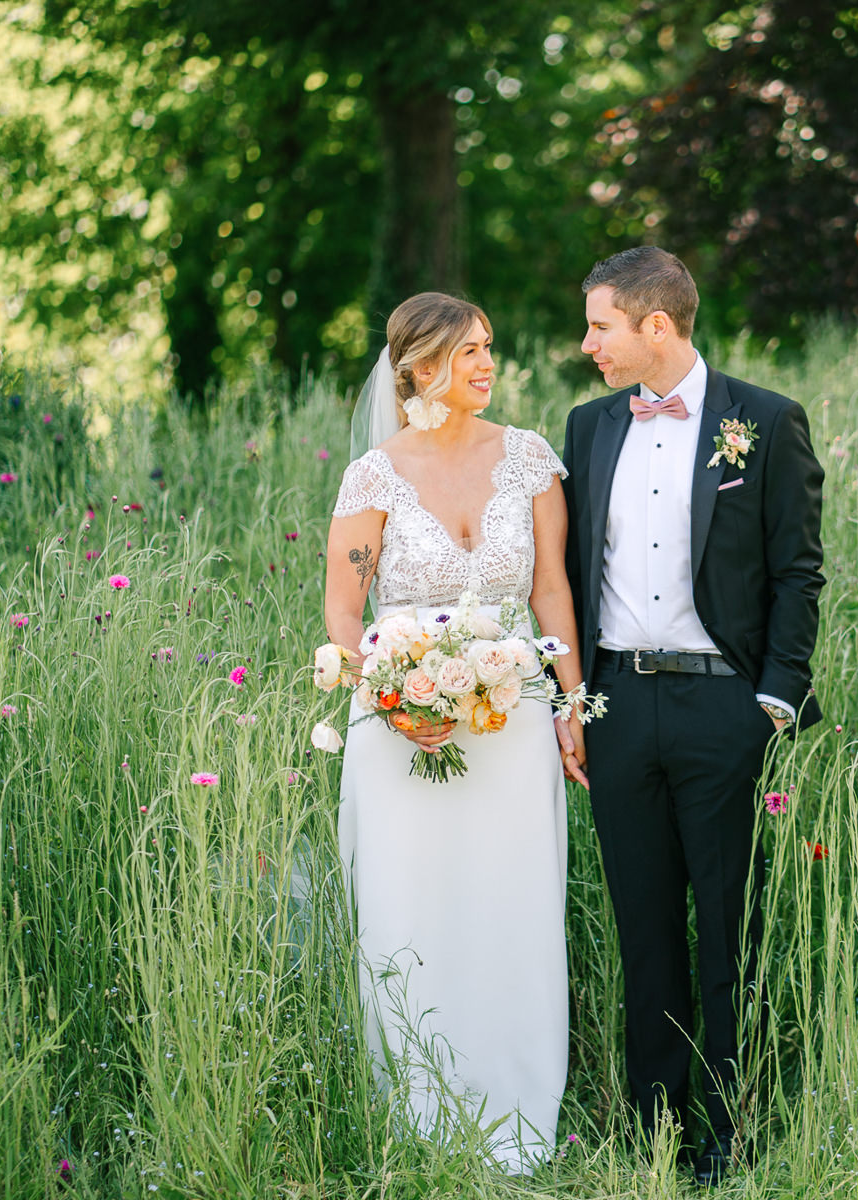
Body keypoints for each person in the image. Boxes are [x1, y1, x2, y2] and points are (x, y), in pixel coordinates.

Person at [560, 247, 825, 1184]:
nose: (587, 344)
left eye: (600, 326)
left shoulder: (765, 419)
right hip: (618, 706)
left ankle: (732, 1131)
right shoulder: (588, 427)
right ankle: (653, 1134)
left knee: (729, 925)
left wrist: (773, 699)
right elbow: (563, 571)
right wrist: (574, 700)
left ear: (655, 327)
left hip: (726, 706)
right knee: (644, 928)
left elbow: (798, 570)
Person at [323, 292, 588, 1172]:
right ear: (419, 368)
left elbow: (551, 590)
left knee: (512, 905)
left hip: (510, 716)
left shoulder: (530, 460)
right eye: (467, 352)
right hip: (402, 731)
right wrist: (394, 695)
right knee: (414, 909)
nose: (486, 365)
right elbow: (343, 609)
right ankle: (417, 1115)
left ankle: (516, 1112)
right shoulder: (375, 474)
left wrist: (570, 705)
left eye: (488, 347)